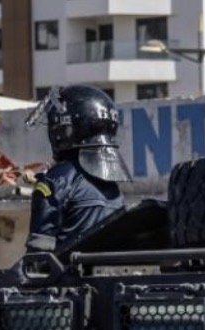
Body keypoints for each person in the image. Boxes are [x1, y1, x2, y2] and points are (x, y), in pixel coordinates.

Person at [25, 86, 131, 253]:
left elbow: (38, 253)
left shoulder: (54, 182)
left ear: (65, 129)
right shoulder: (113, 190)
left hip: (68, 269)